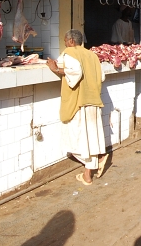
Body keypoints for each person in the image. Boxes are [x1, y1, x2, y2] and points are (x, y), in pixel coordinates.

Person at [46, 29, 108, 185]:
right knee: (90, 138)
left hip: (79, 102)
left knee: (74, 140)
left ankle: (93, 167)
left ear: (71, 41)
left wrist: (55, 69)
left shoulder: (70, 52)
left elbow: (75, 71)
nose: (65, 44)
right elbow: (102, 76)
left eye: (65, 41)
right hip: (93, 100)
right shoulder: (92, 55)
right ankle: (92, 167)